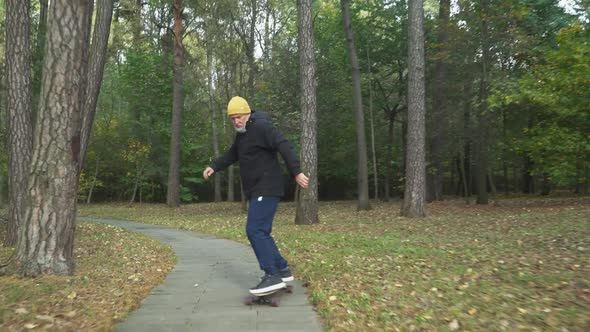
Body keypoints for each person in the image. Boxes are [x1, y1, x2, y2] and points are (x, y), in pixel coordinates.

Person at [203, 96, 309, 295]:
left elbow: (283, 144)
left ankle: (272, 275)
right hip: (258, 190)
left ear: (248, 113)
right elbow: (232, 155)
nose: (236, 121)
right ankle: (282, 269)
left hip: (267, 187)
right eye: (232, 118)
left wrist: (297, 171)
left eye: (239, 117)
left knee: (254, 230)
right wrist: (213, 166)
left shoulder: (262, 127)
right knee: (262, 232)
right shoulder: (242, 135)